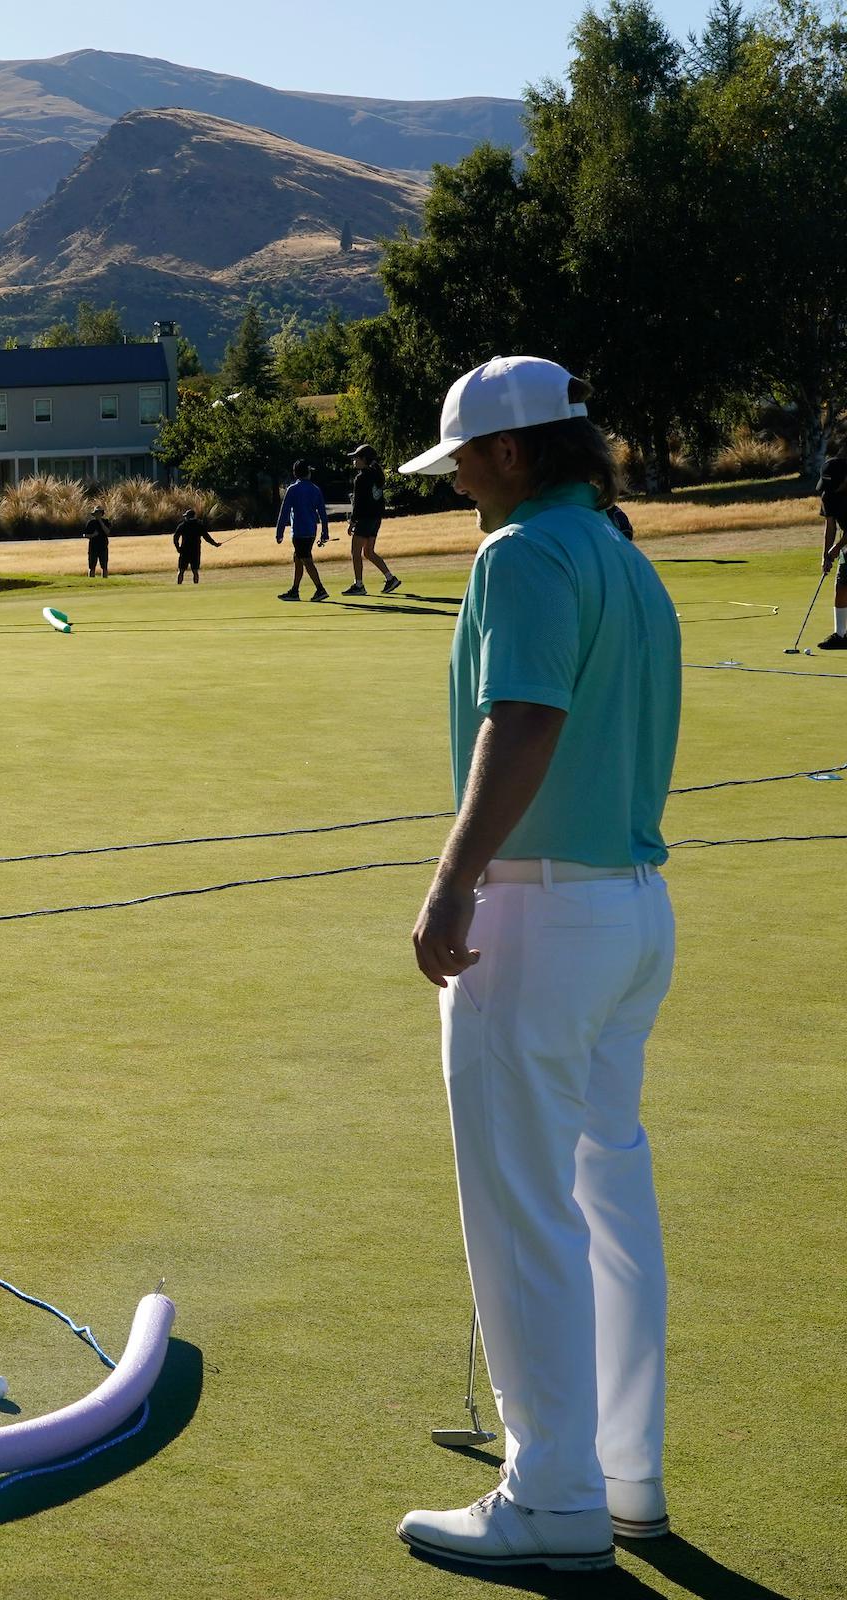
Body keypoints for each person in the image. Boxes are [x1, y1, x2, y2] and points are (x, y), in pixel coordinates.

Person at [396, 357, 682, 1574]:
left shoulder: (519, 554)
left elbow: (525, 717)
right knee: (608, 1199)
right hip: (630, 910)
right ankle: (624, 1473)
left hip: (537, 916)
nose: (455, 478)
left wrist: (453, 878)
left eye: (462, 457)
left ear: (512, 451)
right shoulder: (623, 552)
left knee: (524, 1207)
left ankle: (553, 1493)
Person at [342, 443, 401, 596]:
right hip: (375, 519)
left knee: (356, 552)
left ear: (364, 459)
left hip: (365, 519)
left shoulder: (361, 478)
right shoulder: (377, 475)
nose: (354, 461)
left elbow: (359, 504)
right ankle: (390, 578)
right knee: (368, 552)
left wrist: (352, 522)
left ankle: (359, 585)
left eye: (356, 458)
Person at [274, 458, 331, 601]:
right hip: (311, 531)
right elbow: (323, 514)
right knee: (298, 559)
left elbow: (284, 512)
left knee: (306, 560)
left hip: (299, 531)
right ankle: (295, 590)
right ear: (308, 473)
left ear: (295, 473)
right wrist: (325, 532)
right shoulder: (315, 489)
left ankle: (320, 589)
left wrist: (279, 532)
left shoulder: (292, 489)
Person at [819, 456, 847, 649]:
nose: (831, 490)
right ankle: (841, 636)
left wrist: (837, 547)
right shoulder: (828, 494)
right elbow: (830, 527)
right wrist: (825, 556)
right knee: (842, 585)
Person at [172, 505, 220, 583]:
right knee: (195, 571)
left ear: (188, 517)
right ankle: (196, 586)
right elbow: (207, 537)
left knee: (181, 570)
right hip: (195, 551)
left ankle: (179, 586)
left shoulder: (183, 525)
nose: (185, 518)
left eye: (186, 516)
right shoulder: (199, 525)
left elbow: (175, 537)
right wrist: (215, 544)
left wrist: (178, 548)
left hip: (184, 551)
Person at [84, 504, 112, 578]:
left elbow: (107, 532)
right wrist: (93, 535)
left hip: (103, 547)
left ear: (102, 513)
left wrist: (101, 522)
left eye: (99, 512)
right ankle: (91, 582)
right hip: (93, 547)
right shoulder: (91, 523)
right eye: (96, 513)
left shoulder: (106, 522)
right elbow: (85, 535)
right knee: (92, 567)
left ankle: (105, 581)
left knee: (104, 567)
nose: (98, 514)